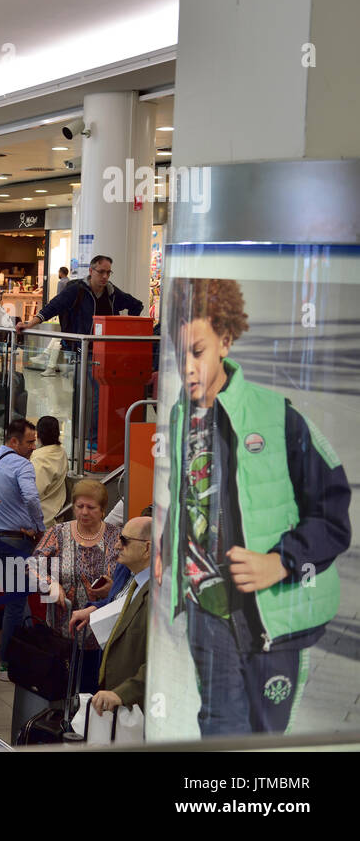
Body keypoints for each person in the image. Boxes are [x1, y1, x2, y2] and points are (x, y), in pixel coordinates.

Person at [164, 277, 350, 736]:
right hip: (206, 609)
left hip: (268, 616)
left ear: (226, 342)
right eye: (179, 352)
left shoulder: (276, 415)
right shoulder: (177, 416)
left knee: (263, 736)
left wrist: (281, 562)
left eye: (198, 351)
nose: (187, 368)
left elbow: (332, 511)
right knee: (219, 727)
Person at [16, 255, 144, 443]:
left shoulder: (111, 292)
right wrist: (30, 324)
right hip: (83, 352)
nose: (105, 276)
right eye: (101, 272)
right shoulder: (77, 290)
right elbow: (53, 307)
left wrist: (124, 330)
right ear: (91, 271)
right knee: (92, 395)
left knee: (99, 395)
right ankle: (90, 437)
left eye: (108, 272)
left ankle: (94, 436)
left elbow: (136, 305)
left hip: (107, 352)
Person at [26, 479, 121, 692]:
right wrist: (50, 584)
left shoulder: (115, 536)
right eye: (79, 506)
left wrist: (111, 587)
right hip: (60, 633)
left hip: (99, 635)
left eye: (91, 507)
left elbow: (127, 577)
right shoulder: (58, 533)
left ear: (103, 510)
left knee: (90, 689)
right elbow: (33, 565)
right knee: (58, 688)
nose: (84, 512)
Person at [0, 419, 45, 678]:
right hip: (16, 542)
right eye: (29, 441)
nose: (33, 446)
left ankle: (21, 651)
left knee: (15, 600)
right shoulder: (22, 464)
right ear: (13, 441)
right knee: (16, 603)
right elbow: (30, 497)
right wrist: (40, 528)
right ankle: (9, 664)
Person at [67, 516, 152, 715]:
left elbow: (162, 658)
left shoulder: (162, 595)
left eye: (124, 540)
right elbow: (118, 605)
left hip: (137, 707)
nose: (116, 545)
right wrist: (95, 609)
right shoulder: (132, 577)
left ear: (147, 549)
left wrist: (123, 693)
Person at [31, 415, 68, 527]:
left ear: (38, 434)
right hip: (54, 514)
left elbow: (34, 492)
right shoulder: (61, 452)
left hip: (42, 518)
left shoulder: (40, 459)